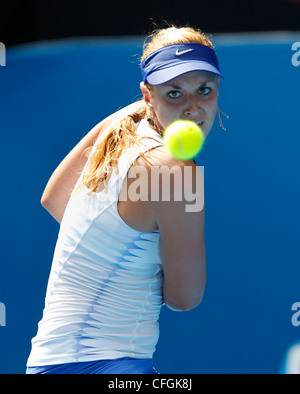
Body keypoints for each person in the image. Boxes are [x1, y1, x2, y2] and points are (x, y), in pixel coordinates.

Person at [26, 25, 224, 374]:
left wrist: (119, 247)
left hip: (50, 363)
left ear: (217, 90)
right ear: (148, 96)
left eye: (203, 91)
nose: (193, 108)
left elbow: (55, 201)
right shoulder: (176, 171)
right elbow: (185, 297)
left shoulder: (123, 128)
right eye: (174, 94)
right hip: (104, 366)